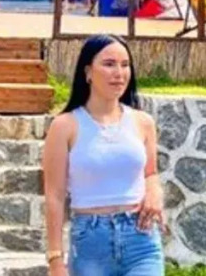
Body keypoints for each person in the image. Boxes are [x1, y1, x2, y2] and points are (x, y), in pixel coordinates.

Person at [42, 35, 165, 276]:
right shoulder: (65, 126)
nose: (119, 73)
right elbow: (54, 195)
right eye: (109, 64)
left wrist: (154, 192)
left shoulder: (143, 122)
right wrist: (55, 259)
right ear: (88, 72)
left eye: (125, 65)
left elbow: (150, 173)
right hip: (90, 242)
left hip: (141, 238)